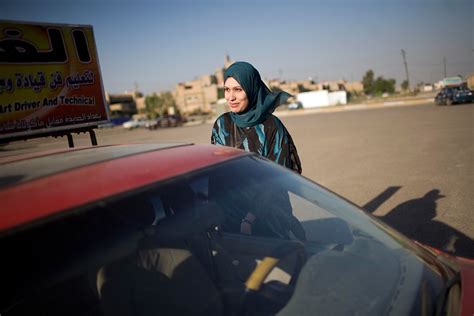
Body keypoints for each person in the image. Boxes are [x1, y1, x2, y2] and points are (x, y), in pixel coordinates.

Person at [210, 61, 305, 241]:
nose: (230, 97)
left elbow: (277, 180)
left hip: (270, 217)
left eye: (238, 90)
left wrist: (250, 219)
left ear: (252, 89)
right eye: (227, 89)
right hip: (231, 219)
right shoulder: (222, 125)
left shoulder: (271, 127)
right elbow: (217, 175)